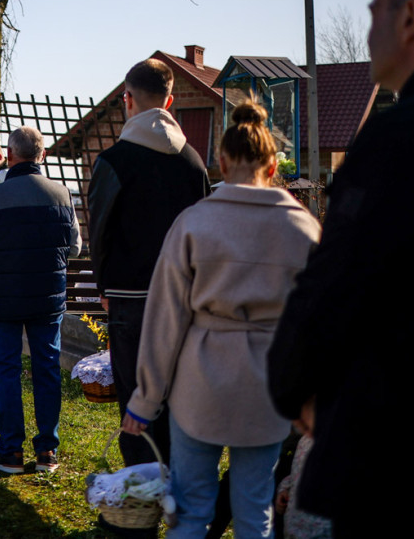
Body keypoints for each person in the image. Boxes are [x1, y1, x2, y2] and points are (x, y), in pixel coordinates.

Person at [267, 0, 414, 538]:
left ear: (410, 17)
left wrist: (294, 387)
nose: (368, 34)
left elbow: (339, 281)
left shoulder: (396, 140)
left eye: (374, 13)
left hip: (396, 440)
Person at [121, 101, 321, 538]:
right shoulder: (305, 230)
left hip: (200, 387)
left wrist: (145, 398)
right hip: (268, 389)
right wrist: (311, 398)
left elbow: (164, 319)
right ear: (273, 166)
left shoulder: (193, 223)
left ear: (222, 161)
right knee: (255, 514)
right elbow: (319, 326)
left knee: (191, 513)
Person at [87, 58, 210, 467]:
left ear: (127, 99)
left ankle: (139, 499)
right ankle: (177, 486)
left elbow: (99, 230)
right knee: (178, 395)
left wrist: (104, 287)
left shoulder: (113, 162)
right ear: (170, 102)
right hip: (184, 298)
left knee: (136, 397)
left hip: (129, 296)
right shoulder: (193, 163)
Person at [0, 126, 81, 474]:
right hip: (47, 296)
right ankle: (48, 451)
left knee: (7, 369)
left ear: (10, 156)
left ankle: (11, 451)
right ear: (42, 155)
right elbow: (74, 247)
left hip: (5, 295)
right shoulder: (61, 194)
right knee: (47, 368)